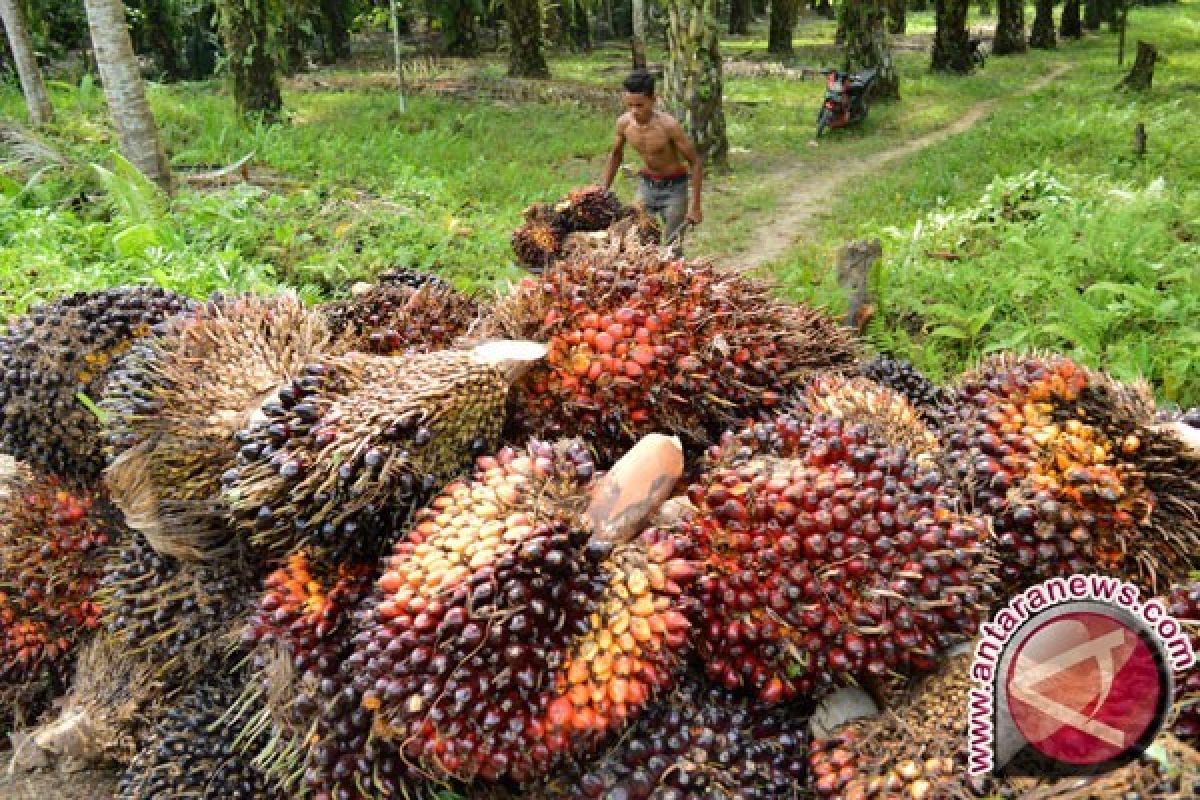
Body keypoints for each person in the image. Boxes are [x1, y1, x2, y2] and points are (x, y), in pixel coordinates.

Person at [601, 70, 703, 246]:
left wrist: (696, 207)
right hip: (646, 186)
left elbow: (695, 162)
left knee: (673, 245)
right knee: (637, 239)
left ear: (653, 100)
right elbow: (616, 155)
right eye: (630, 105)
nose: (634, 111)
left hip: (674, 189)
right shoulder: (624, 124)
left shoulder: (668, 126)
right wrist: (603, 190)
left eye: (640, 105)